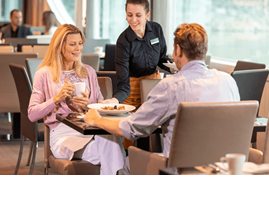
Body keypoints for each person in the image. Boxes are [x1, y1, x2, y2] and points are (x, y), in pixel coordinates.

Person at [84, 23, 240, 173]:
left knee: (124, 164)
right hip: (224, 168)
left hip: (178, 169)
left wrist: (95, 119)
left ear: (178, 50)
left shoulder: (171, 86)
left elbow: (131, 129)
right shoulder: (228, 81)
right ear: (205, 50)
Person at [28, 24, 125, 175]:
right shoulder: (44, 74)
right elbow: (32, 114)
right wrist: (56, 99)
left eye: (80, 43)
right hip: (62, 135)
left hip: (90, 130)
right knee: (115, 151)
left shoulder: (88, 72)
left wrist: (90, 105)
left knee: (111, 143)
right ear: (60, 47)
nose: (78, 48)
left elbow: (101, 108)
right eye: (72, 44)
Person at [101, 0, 173, 149]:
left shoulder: (156, 30)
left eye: (138, 15)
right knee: (130, 135)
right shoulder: (123, 41)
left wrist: (175, 67)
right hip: (131, 90)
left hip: (153, 86)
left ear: (147, 15)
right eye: (129, 14)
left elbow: (162, 60)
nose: (133, 20)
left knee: (155, 133)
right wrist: (115, 100)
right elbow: (123, 84)